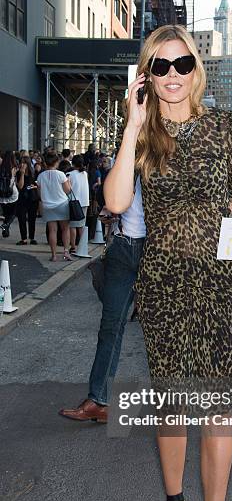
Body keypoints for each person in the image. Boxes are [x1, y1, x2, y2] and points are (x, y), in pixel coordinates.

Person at [104, 24, 232, 501]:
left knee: (216, 410)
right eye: (159, 66)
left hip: (223, 284)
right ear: (146, 76)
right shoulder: (144, 135)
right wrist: (131, 125)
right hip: (167, 284)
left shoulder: (227, 128)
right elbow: (116, 201)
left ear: (195, 68)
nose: (171, 76)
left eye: (180, 64)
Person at [59, 177, 146, 421]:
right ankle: (98, 399)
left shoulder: (172, 149)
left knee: (170, 332)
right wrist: (111, 212)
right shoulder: (128, 149)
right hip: (122, 246)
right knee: (110, 327)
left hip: (159, 251)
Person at [36, 152, 72, 261]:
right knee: (65, 229)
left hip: (48, 206)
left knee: (52, 231)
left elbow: (39, 193)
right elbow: (68, 190)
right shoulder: (61, 174)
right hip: (62, 204)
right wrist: (69, 183)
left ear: (46, 163)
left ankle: (54, 255)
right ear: (57, 162)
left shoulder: (40, 176)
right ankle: (66, 252)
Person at [68, 154, 89, 254]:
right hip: (85, 202)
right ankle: (82, 246)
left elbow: (67, 189)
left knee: (73, 225)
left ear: (73, 163)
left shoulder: (70, 174)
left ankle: (73, 247)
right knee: (81, 225)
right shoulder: (85, 174)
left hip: (74, 202)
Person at [15, 157, 39, 245]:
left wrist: (32, 186)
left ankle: (32, 237)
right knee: (22, 218)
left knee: (32, 219)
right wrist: (21, 174)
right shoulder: (18, 173)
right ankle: (23, 238)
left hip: (32, 198)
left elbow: (37, 185)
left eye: (24, 163)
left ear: (28, 164)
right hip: (22, 198)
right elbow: (20, 186)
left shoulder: (34, 172)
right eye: (21, 163)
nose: (22, 165)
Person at [0, 151, 19, 238]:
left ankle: (5, 229)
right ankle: (6, 225)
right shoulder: (14, 167)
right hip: (12, 192)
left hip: (1, 192)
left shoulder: (1, 166)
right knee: (13, 212)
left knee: (6, 212)